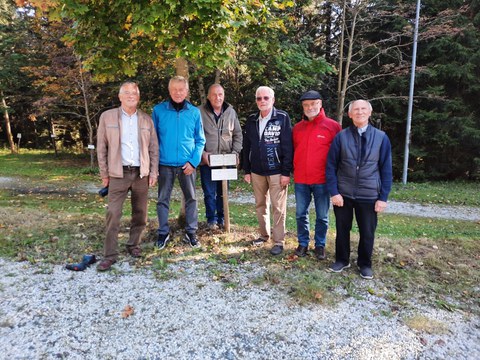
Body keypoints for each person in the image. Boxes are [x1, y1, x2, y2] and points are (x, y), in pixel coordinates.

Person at [326, 99, 392, 279]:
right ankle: (342, 260)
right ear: (350, 114)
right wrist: (334, 192)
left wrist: (383, 197)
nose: (359, 112)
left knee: (367, 232)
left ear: (370, 113)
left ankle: (365, 264)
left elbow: (386, 169)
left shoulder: (381, 137)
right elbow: (331, 166)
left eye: (363, 109)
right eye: (356, 109)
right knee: (342, 229)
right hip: (344, 194)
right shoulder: (341, 137)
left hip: (369, 194)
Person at [96, 81, 159, 271]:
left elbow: (154, 148)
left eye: (135, 93)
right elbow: (101, 147)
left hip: (141, 173)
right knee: (113, 213)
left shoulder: (146, 119)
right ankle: (110, 254)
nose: (131, 95)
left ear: (138, 97)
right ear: (120, 96)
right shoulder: (107, 117)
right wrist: (104, 173)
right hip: (118, 173)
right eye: (127, 93)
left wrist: (153, 171)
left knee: (140, 213)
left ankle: (134, 244)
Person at [152, 76, 206, 249]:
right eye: (174, 89)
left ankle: (191, 233)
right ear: (169, 90)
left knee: (191, 198)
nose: (177, 92)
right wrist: (155, 164)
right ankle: (163, 233)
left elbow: (200, 140)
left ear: (187, 91)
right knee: (162, 199)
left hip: (187, 164)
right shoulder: (159, 111)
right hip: (164, 163)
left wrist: (193, 161)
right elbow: (152, 140)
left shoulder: (194, 112)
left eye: (181, 89)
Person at [242, 86, 293, 255]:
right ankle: (264, 236)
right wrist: (247, 170)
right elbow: (246, 146)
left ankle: (278, 241)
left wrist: (286, 172)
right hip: (257, 171)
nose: (262, 101)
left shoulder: (282, 118)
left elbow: (287, 146)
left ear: (273, 100)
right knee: (260, 204)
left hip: (277, 171)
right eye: (259, 98)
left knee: (278, 207)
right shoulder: (252, 120)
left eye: (266, 98)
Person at [293, 90, 342, 260]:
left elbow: (339, 155)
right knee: (300, 214)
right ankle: (303, 243)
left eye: (313, 104)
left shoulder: (333, 126)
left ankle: (320, 245)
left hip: (322, 180)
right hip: (301, 180)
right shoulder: (297, 128)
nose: (310, 107)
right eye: (306, 105)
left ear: (320, 104)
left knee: (322, 216)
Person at [199, 83, 242, 230]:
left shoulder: (231, 112)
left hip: (226, 159)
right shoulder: (200, 112)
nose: (218, 97)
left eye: (220, 94)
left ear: (224, 96)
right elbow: (194, 136)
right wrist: (202, 154)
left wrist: (235, 153)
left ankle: (222, 218)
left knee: (223, 192)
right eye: (214, 94)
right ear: (209, 97)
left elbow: (238, 134)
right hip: (208, 161)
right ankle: (211, 220)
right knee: (209, 193)